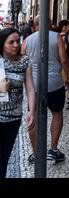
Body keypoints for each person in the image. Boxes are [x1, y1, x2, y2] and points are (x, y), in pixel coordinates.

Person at [23, 15, 69, 163]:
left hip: (34, 84)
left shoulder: (27, 41)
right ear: (50, 24)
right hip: (54, 83)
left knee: (33, 116)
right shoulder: (56, 37)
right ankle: (53, 149)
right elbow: (63, 59)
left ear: (35, 26)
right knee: (57, 114)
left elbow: (22, 61)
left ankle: (36, 153)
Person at [0, 28, 35, 178]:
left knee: (4, 156)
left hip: (13, 118)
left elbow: (30, 87)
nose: (15, 45)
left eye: (17, 41)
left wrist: (31, 111)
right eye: (11, 42)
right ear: (2, 44)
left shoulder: (24, 61)